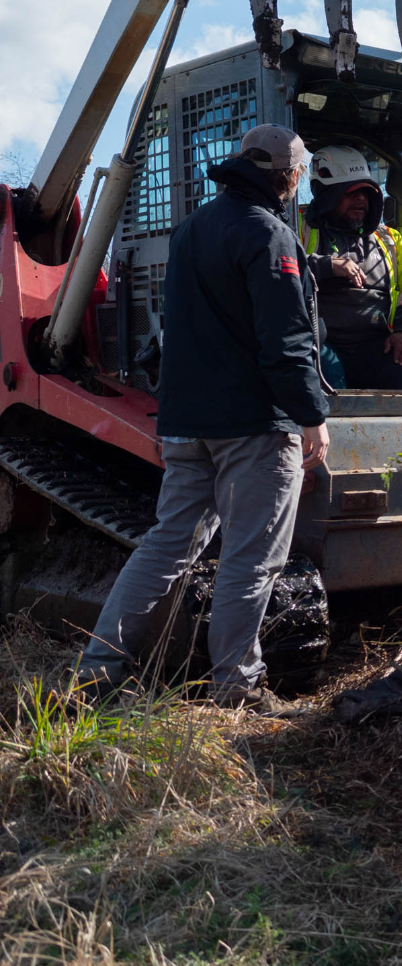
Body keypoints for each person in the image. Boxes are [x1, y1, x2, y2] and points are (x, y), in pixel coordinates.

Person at [78, 125, 331, 713]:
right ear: (288, 175)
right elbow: (285, 339)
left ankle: (95, 674)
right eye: (299, 171)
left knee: (165, 547)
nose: (300, 179)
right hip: (253, 425)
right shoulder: (269, 234)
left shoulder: (193, 229)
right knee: (252, 558)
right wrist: (310, 415)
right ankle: (237, 687)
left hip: (186, 422)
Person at [301, 145, 402, 391]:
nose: (361, 198)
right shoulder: (301, 229)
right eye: (351, 192)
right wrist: (326, 265)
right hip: (321, 344)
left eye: (366, 192)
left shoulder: (389, 239)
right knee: (324, 375)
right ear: (328, 195)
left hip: (376, 345)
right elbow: (280, 271)